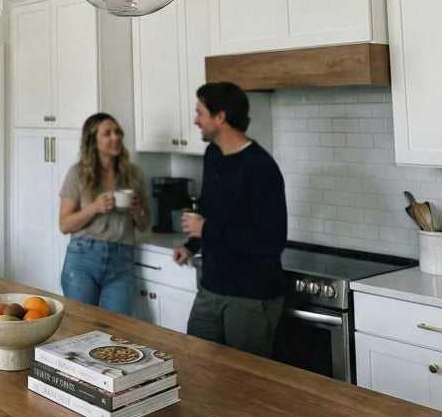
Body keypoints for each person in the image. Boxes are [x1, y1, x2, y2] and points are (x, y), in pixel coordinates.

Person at [173, 82, 287, 357]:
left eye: (200, 112)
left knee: (247, 386)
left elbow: (270, 240)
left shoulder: (260, 167)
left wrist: (207, 228)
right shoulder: (213, 155)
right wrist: (192, 244)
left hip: (249, 295)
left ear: (220, 117)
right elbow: (211, 214)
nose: (195, 120)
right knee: (196, 370)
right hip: (210, 287)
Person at [59, 113, 151, 315]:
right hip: (83, 258)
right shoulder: (78, 174)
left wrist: (136, 211)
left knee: (118, 332)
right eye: (107, 133)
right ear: (92, 140)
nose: (115, 137)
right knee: (80, 327)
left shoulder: (134, 174)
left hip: (121, 260)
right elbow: (65, 225)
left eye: (117, 132)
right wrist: (95, 207)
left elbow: (144, 224)